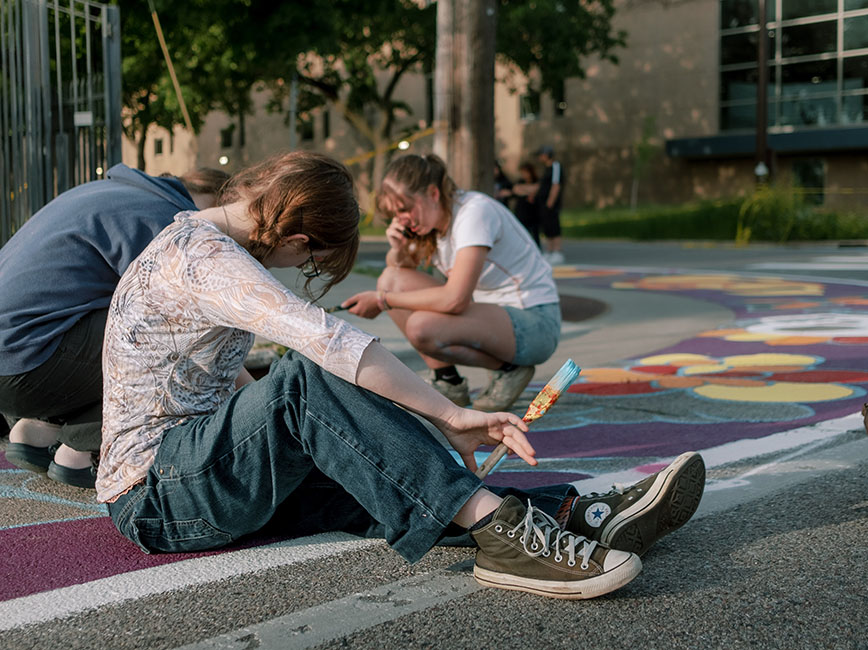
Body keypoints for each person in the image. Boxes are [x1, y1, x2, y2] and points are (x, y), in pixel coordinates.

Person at [97, 150, 706, 600]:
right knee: (306, 378)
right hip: (155, 495)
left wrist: (323, 433)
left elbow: (227, 389)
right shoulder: (204, 257)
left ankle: (575, 515)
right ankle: (504, 535)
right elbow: (329, 342)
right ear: (299, 237)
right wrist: (450, 414)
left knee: (381, 469)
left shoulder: (198, 246)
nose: (299, 269)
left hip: (193, 474)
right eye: (309, 261)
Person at [0, 164, 228, 488]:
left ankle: (37, 428)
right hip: (24, 360)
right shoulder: (170, 218)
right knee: (174, 340)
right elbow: (193, 329)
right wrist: (238, 388)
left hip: (16, 358)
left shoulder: (107, 191)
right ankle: (81, 448)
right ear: (217, 203)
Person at [344, 154, 559, 413]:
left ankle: (510, 370)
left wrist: (382, 300)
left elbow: (455, 300)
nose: (401, 219)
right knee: (390, 279)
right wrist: (398, 249)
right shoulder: (432, 222)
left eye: (404, 209)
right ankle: (449, 381)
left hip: (535, 324)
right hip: (495, 320)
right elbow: (397, 271)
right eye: (394, 214)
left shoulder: (474, 213)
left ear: (433, 193)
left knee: (421, 326)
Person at [536, 146, 565, 265]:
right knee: (547, 226)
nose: (540, 157)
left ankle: (557, 251)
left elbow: (556, 185)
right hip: (543, 203)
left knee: (554, 226)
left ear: (547, 154)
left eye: (541, 154)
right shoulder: (546, 169)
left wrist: (550, 202)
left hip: (551, 204)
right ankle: (549, 250)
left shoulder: (555, 166)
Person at [509, 161, 541, 247]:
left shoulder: (536, 180)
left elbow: (536, 188)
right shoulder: (520, 181)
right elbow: (516, 189)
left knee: (534, 232)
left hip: (533, 211)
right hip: (522, 211)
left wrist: (524, 189)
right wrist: (529, 192)